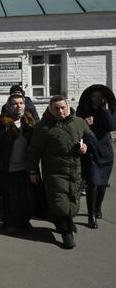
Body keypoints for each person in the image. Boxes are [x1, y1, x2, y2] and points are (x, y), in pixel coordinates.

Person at [27, 96, 94, 249]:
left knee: (72, 199)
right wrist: (33, 171)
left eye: (63, 107)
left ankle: (65, 223)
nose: (60, 111)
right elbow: (34, 151)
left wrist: (86, 147)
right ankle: (66, 233)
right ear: (50, 109)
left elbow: (90, 137)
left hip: (76, 171)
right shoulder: (43, 127)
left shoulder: (79, 122)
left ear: (68, 106)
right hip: (55, 172)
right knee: (60, 201)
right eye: (56, 108)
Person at [0, 94, 37, 231]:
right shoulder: (2, 122)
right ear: (9, 105)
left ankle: (24, 221)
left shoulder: (29, 121)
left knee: (25, 197)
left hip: (25, 167)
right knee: (9, 197)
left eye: (21, 103)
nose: (18, 106)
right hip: (7, 166)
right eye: (15, 103)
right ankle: (9, 222)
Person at [76, 84, 116, 229]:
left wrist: (105, 111)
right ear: (90, 97)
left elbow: (112, 126)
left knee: (102, 183)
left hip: (105, 150)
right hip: (90, 148)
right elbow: (76, 126)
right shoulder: (83, 110)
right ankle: (91, 215)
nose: (97, 99)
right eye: (94, 96)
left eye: (100, 96)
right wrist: (84, 123)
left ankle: (98, 207)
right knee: (92, 182)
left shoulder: (110, 109)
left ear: (104, 98)